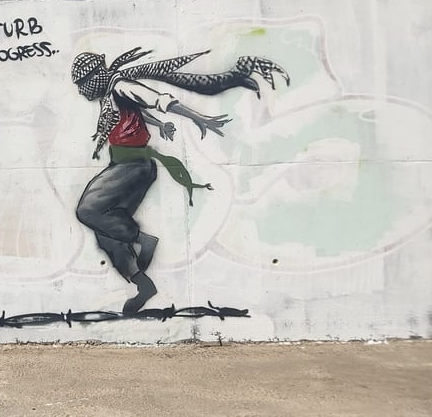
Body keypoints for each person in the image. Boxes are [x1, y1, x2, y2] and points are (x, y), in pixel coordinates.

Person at [71, 48, 288, 315]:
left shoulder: (122, 85)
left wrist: (201, 118)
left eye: (82, 84)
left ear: (95, 77)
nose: (81, 91)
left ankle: (142, 239)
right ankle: (142, 285)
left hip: (132, 167)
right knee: (105, 231)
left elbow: (158, 100)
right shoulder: (113, 93)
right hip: (125, 165)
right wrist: (159, 127)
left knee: (87, 210)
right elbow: (136, 113)